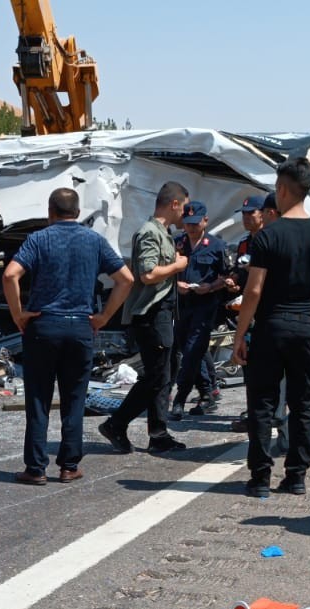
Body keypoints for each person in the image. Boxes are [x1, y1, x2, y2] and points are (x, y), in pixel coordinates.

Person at [2, 187, 134, 484]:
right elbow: (126, 279)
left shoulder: (38, 239)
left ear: (50, 212)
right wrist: (104, 316)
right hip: (80, 326)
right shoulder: (95, 241)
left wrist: (18, 314)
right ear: (78, 212)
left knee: (38, 398)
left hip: (44, 325)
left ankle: (36, 468)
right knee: (75, 398)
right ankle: (69, 465)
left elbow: (10, 275)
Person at [229, 157, 310, 499]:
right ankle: (296, 476)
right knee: (302, 404)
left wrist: (239, 335)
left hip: (271, 327)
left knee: (262, 403)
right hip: (307, 326)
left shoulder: (266, 237)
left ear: (281, 189)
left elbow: (254, 291)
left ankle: (260, 477)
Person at [98, 181, 191, 456]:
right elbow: (147, 274)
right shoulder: (149, 232)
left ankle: (158, 433)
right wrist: (177, 265)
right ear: (174, 203)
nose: (185, 213)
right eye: (184, 206)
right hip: (150, 314)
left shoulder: (165, 233)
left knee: (165, 374)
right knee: (155, 377)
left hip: (164, 313)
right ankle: (116, 424)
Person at [170, 200, 232, 418]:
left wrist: (211, 286)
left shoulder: (216, 246)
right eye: (188, 223)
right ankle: (207, 393)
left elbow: (227, 276)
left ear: (205, 221)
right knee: (189, 348)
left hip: (205, 305)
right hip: (182, 304)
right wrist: (177, 286)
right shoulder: (177, 242)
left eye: (196, 223)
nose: (191, 227)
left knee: (193, 349)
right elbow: (168, 271)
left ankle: (180, 397)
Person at [228, 195, 266, 435]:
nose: (246, 218)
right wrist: (233, 280)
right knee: (248, 363)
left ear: (262, 214)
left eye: (251, 213)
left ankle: (263, 413)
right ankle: (255, 412)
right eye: (243, 214)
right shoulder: (244, 244)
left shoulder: (269, 240)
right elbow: (240, 274)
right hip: (246, 308)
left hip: (266, 307)